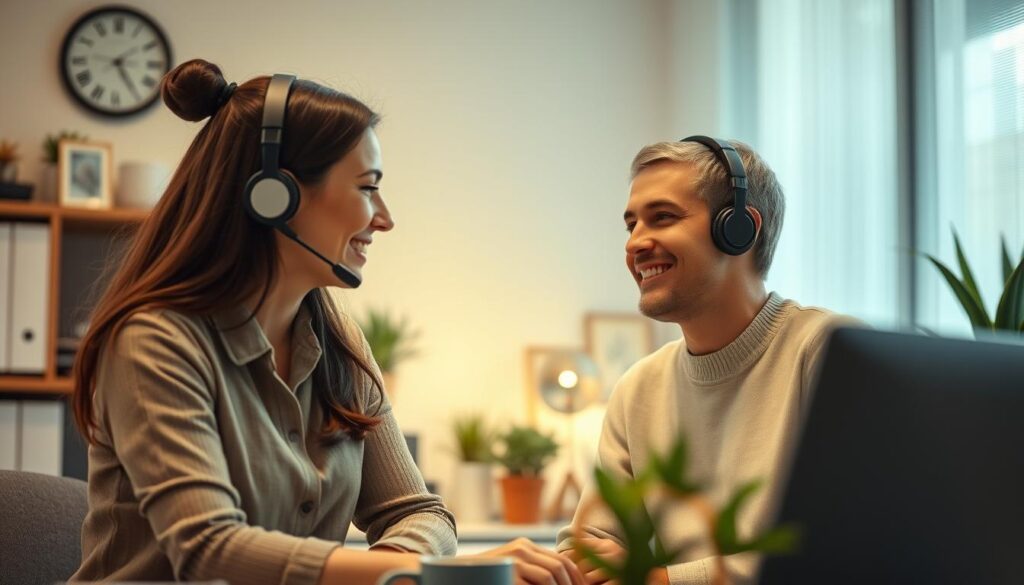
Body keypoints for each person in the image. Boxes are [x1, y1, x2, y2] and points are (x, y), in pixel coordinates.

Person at [70, 59, 583, 585]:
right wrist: (420, 571)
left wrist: (402, 570)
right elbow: (208, 546)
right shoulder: (154, 341)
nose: (383, 217)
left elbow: (418, 513)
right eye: (367, 187)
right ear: (275, 195)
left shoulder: (338, 342)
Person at [556, 138, 858, 585]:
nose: (636, 243)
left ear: (738, 228)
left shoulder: (830, 351)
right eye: (631, 225)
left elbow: (844, 547)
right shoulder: (638, 388)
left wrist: (657, 580)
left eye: (662, 217)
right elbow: (587, 546)